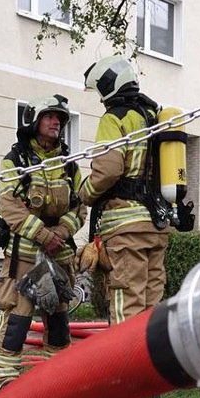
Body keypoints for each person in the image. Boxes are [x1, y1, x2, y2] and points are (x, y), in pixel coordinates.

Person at [0, 94, 85, 388]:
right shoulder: (15, 160)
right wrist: (44, 235)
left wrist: (60, 234)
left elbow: (80, 207)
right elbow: (10, 208)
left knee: (58, 316)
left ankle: (59, 374)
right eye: (49, 116)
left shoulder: (69, 164)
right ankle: (7, 374)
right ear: (34, 121)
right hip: (24, 253)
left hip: (59, 253)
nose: (56, 122)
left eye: (60, 118)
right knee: (18, 315)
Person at [79, 55, 171, 324]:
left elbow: (108, 171)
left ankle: (125, 366)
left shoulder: (115, 118)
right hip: (156, 226)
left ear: (108, 86)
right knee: (151, 308)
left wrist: (84, 193)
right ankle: (148, 365)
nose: (100, 98)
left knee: (126, 306)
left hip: (125, 228)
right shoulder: (153, 116)